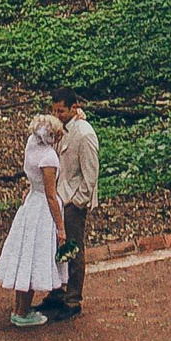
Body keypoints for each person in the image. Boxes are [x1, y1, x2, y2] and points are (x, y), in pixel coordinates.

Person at [0, 113, 66, 328]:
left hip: (30, 205)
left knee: (25, 256)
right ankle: (23, 313)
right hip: (43, 211)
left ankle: (19, 307)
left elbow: (33, 178)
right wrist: (60, 227)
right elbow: (51, 195)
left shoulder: (31, 146)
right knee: (35, 259)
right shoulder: (49, 158)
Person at [38, 91, 98, 320]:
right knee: (55, 246)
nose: (56, 114)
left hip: (72, 202)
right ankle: (57, 292)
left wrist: (78, 201)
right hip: (58, 199)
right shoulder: (58, 129)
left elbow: (90, 175)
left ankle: (73, 299)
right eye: (54, 110)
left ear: (74, 108)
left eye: (61, 110)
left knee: (74, 249)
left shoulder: (84, 134)